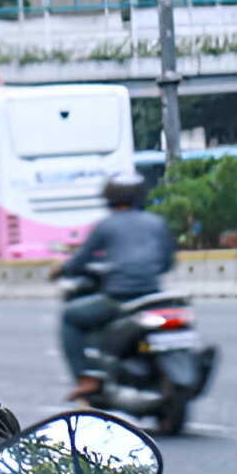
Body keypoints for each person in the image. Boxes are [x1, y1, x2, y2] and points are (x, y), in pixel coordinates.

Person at [52, 171, 175, 399]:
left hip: (120, 298)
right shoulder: (157, 222)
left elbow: (80, 260)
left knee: (69, 317)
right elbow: (167, 263)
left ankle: (86, 378)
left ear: (110, 197)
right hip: (154, 297)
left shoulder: (105, 226)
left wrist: (60, 269)